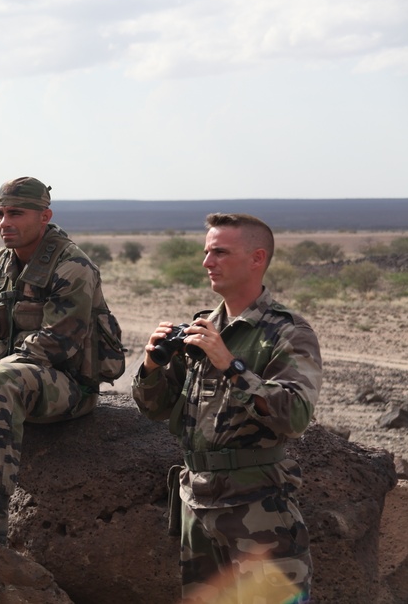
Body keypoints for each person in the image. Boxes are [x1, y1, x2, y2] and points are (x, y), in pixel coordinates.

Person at [132, 213, 322, 604]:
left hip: (257, 508)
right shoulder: (202, 328)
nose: (207, 262)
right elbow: (155, 409)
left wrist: (231, 365)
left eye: (220, 252)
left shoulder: (287, 331)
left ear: (257, 259)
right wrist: (151, 366)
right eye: (206, 252)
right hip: (196, 504)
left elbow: (295, 416)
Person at [0, 177, 115, 544]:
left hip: (67, 385)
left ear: (44, 216)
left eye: (16, 213)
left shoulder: (72, 265)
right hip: (14, 379)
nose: (4, 222)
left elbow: (57, 343)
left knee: (2, 380)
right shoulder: (0, 264)